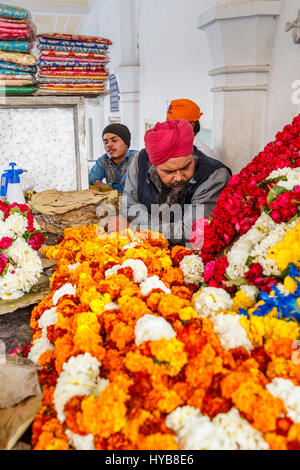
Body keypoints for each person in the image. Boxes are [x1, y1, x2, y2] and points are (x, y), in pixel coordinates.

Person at [111, 119, 231, 246]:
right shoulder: (140, 161)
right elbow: (129, 208)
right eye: (169, 171)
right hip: (145, 249)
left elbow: (192, 231)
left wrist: (137, 229)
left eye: (186, 167)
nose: (179, 177)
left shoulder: (214, 177)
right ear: (153, 167)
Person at [88, 123, 138, 193]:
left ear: (126, 143)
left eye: (114, 140)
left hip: (136, 203)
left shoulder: (136, 159)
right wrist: (107, 188)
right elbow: (89, 182)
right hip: (113, 202)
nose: (109, 145)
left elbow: (125, 188)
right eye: (105, 142)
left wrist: (103, 186)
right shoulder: (103, 160)